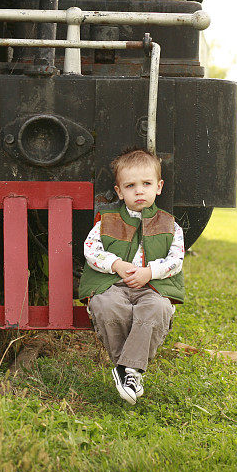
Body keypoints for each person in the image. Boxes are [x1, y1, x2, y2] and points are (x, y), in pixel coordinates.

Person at [78, 148, 185, 404]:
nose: (139, 191)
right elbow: (91, 250)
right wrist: (115, 264)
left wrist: (151, 272)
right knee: (107, 305)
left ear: (158, 187)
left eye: (146, 184)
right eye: (131, 185)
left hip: (153, 288)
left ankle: (125, 369)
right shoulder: (107, 221)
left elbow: (176, 260)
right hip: (113, 285)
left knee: (157, 309)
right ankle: (130, 370)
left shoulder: (170, 224)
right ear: (119, 191)